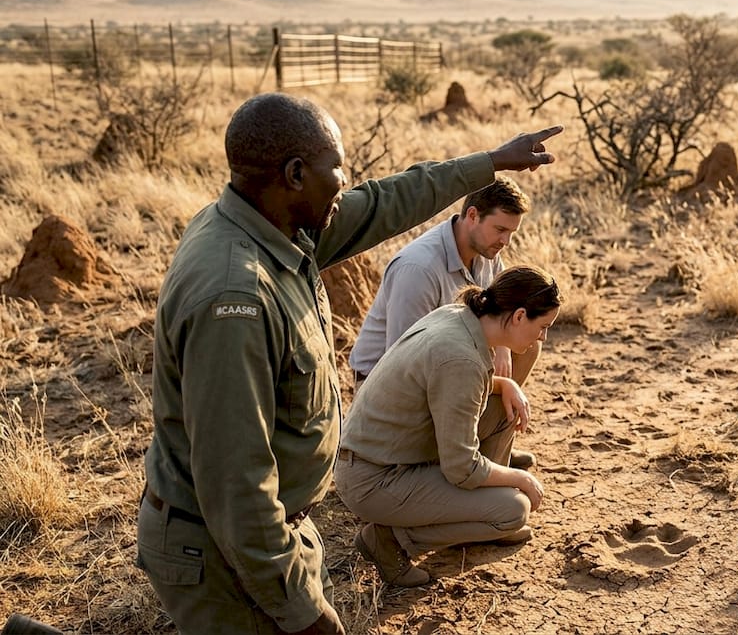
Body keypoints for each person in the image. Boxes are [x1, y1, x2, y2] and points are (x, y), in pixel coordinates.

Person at [136, 91, 560, 635]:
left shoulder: (279, 229)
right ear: (294, 174)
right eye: (336, 168)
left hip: (278, 530)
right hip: (223, 556)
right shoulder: (233, 297)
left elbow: (386, 201)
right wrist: (301, 609)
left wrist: (490, 162)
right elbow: (235, 482)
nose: (346, 183)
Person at [333, 266, 561, 587]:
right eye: (543, 326)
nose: (543, 337)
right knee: (513, 510)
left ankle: (476, 514)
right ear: (519, 316)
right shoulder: (461, 359)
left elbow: (451, 390)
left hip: (385, 457)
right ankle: (390, 540)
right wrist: (519, 478)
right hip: (375, 479)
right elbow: (462, 469)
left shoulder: (461, 317)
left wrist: (505, 384)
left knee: (500, 406)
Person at [348, 178, 541, 469]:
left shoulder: (488, 252)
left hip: (449, 363)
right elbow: (404, 363)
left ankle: (491, 450)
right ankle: (462, 458)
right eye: (500, 229)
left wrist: (502, 348)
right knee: (504, 378)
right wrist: (502, 384)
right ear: (472, 215)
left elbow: (501, 316)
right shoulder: (419, 269)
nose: (505, 242)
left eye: (511, 232)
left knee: (527, 344)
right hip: (389, 387)